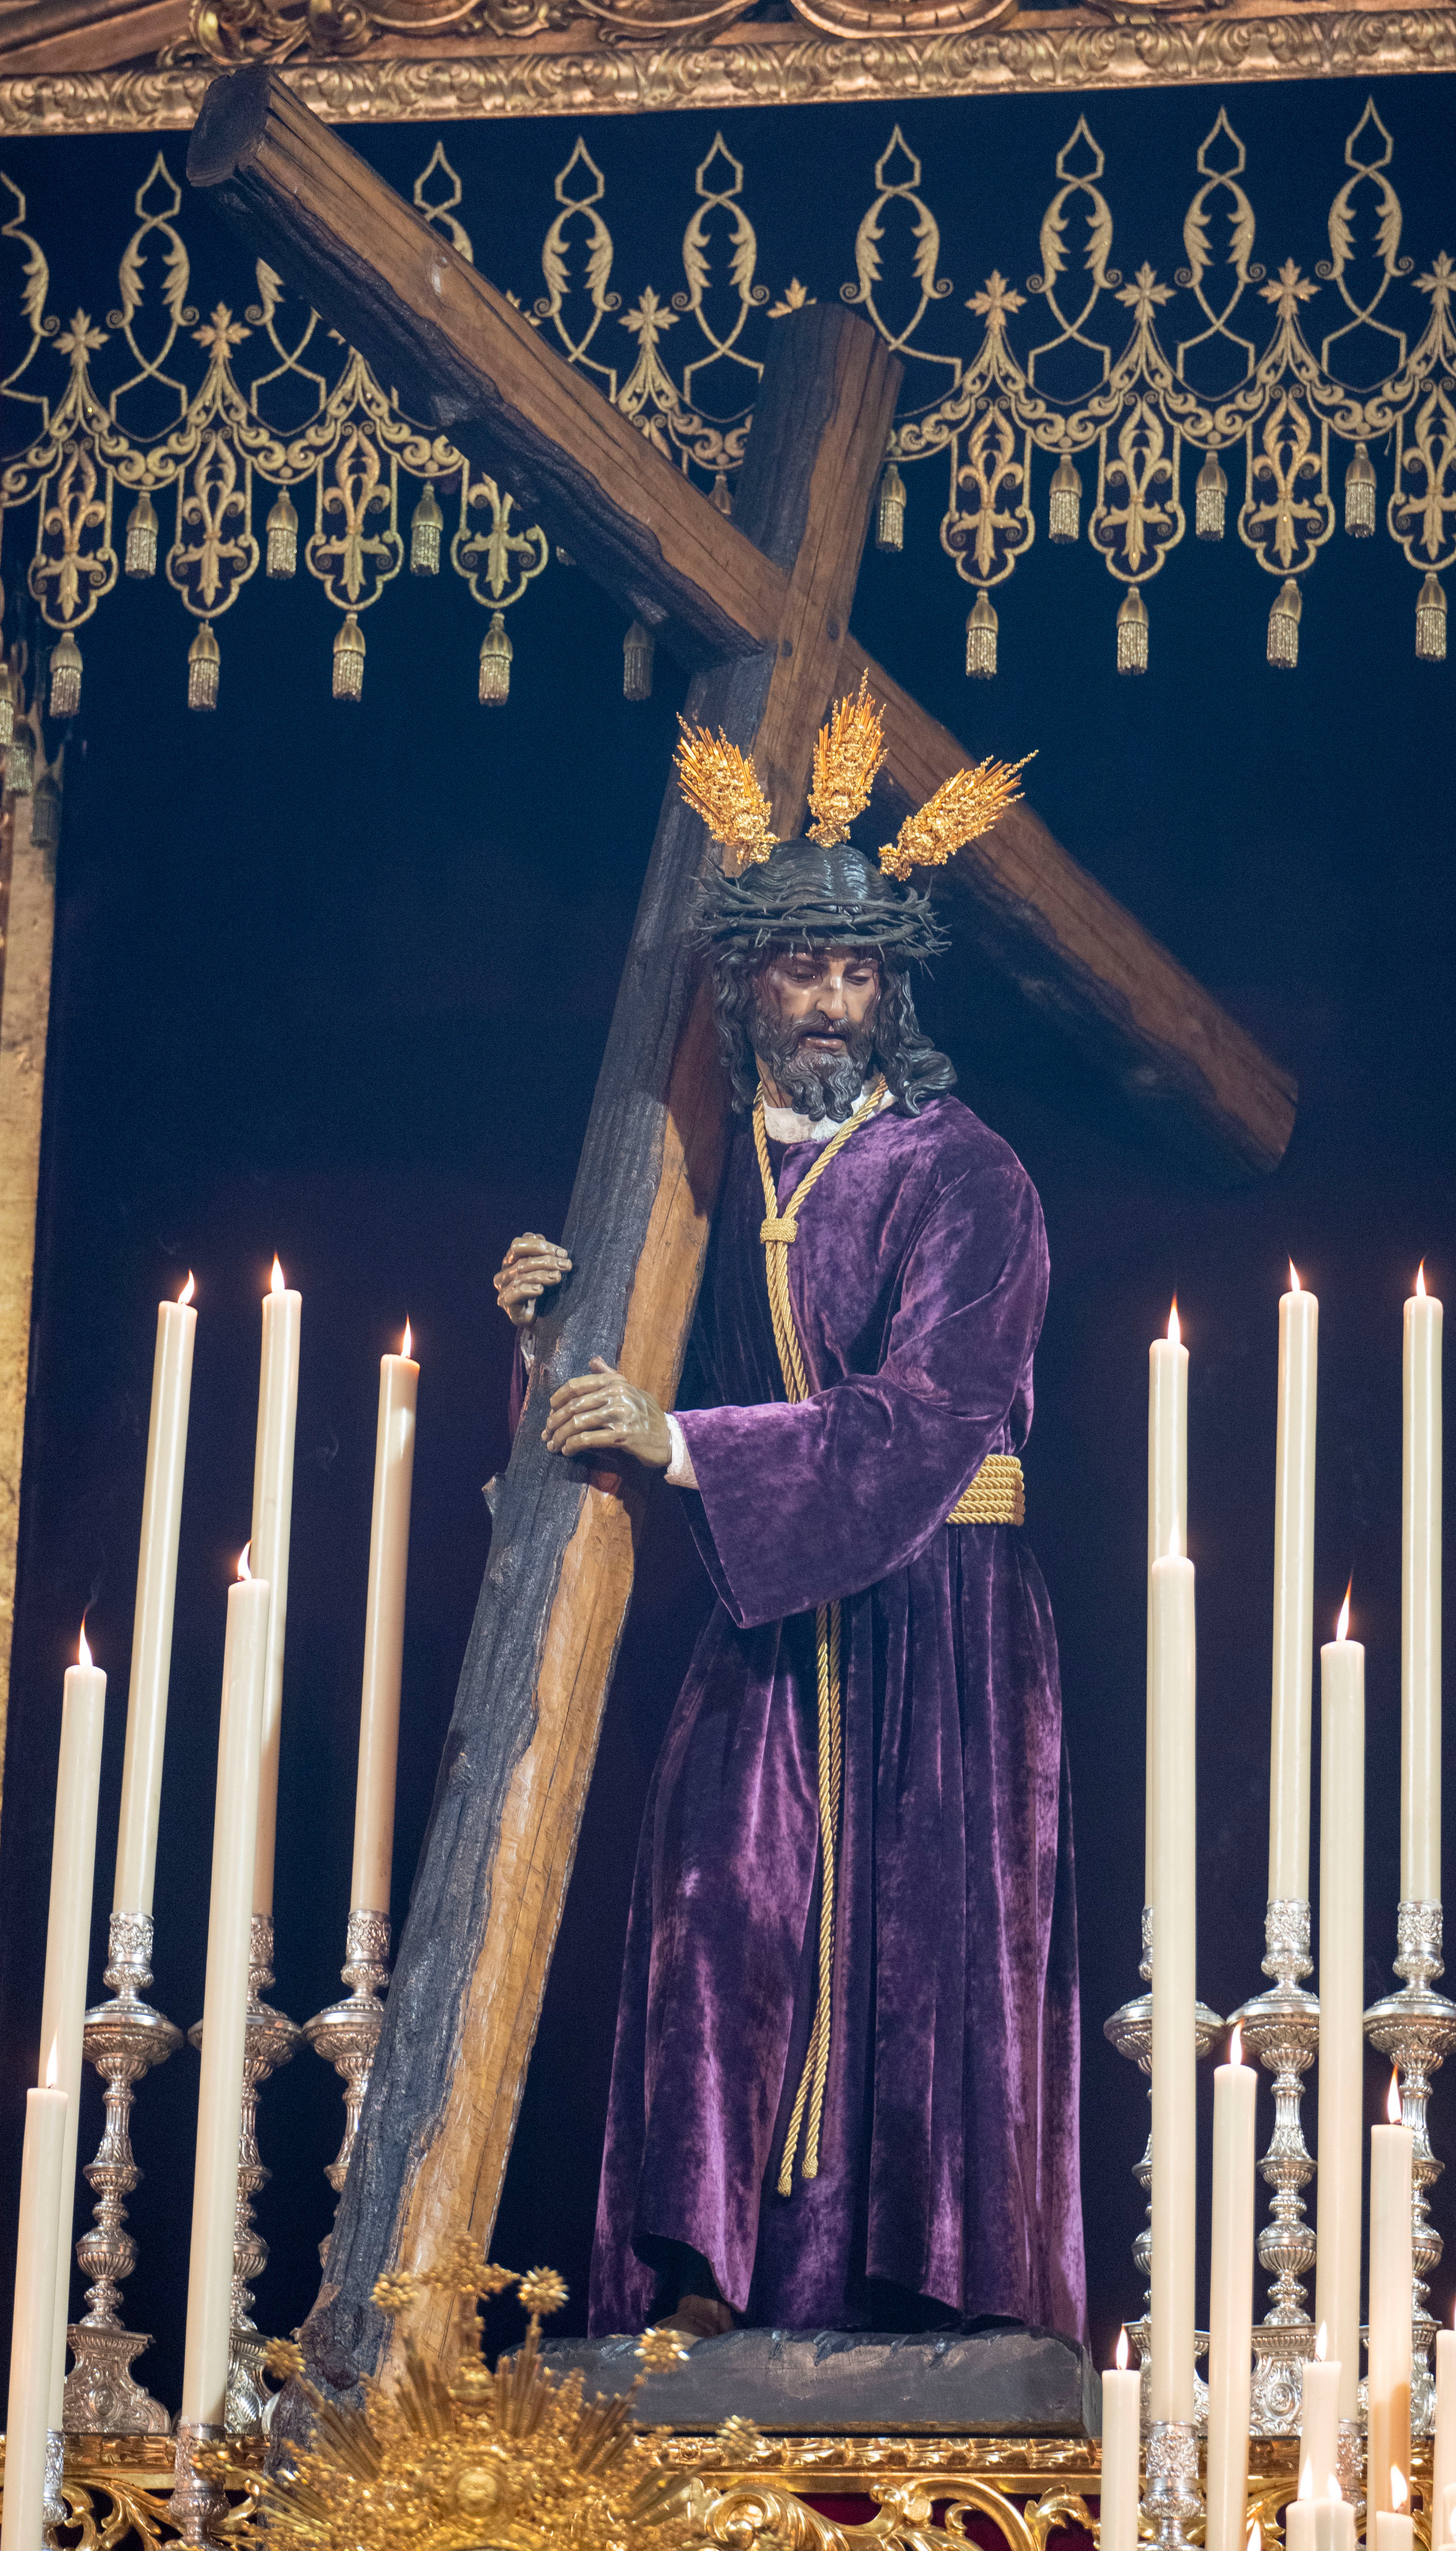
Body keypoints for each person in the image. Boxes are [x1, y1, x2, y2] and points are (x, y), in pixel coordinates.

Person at [491, 693, 1083, 2345]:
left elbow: (928, 1413)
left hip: (943, 1613)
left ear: (890, 988)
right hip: (770, 1612)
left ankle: (932, 2299)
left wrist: (677, 1438)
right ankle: (700, 2275)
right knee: (715, 1914)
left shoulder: (963, 1171)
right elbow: (624, 1412)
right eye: (799, 968)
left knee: (934, 1945)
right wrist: (553, 1345)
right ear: (741, 981)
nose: (829, 1000)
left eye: (856, 972)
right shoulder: (688, 1173)